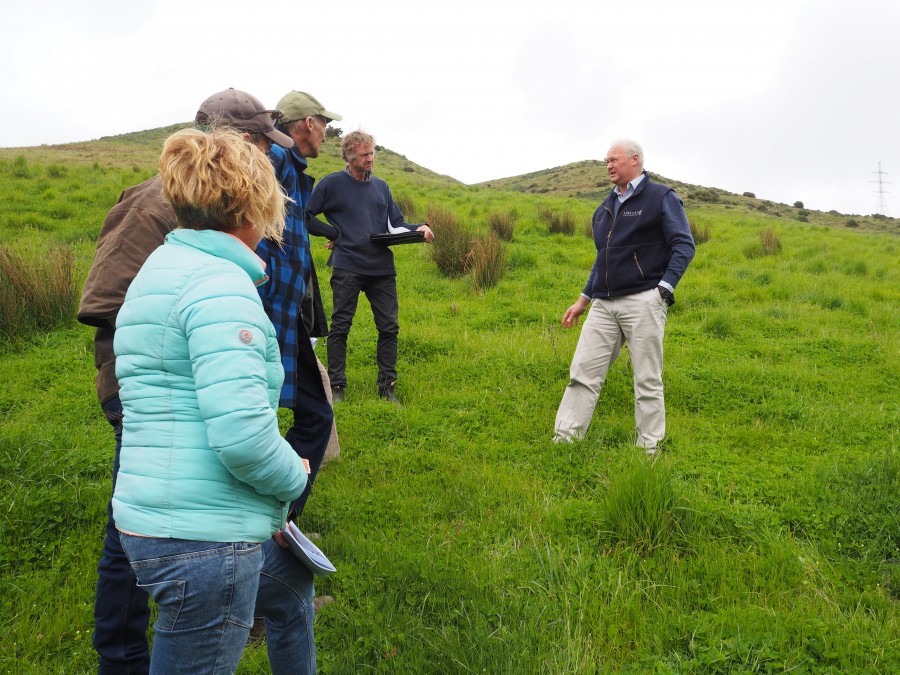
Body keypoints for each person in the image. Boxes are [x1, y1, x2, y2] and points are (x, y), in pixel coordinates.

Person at [77, 89, 306, 675]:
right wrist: (292, 475)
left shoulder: (164, 266)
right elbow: (243, 441)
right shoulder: (220, 287)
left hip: (156, 517)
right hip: (206, 544)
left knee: (290, 588)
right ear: (252, 210)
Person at [553, 139, 695, 454]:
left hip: (644, 299)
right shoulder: (604, 209)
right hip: (603, 304)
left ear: (635, 160)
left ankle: (649, 450)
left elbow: (684, 245)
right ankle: (565, 441)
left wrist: (664, 289)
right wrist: (583, 300)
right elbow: (602, 259)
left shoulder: (661, 198)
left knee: (646, 380)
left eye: (614, 159)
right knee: (583, 373)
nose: (609, 166)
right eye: (606, 161)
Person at [256, 90, 342, 520]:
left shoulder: (291, 167)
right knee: (268, 423)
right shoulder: (271, 163)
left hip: (287, 318)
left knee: (313, 415)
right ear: (308, 122)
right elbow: (251, 238)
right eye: (325, 124)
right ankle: (270, 526)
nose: (327, 134)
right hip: (264, 319)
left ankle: (279, 520)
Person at [306, 130, 435, 403]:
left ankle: (387, 387)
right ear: (349, 156)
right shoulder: (331, 184)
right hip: (347, 265)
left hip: (381, 268)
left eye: (372, 153)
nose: (370, 159)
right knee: (341, 327)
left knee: (389, 328)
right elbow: (304, 215)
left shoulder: (382, 187)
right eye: (365, 154)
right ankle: (337, 388)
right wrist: (333, 233)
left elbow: (395, 225)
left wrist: (419, 228)